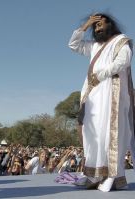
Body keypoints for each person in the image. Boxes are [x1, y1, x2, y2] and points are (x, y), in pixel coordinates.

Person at [68, 13, 135, 192]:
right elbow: (73, 45)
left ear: (110, 25)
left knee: (109, 133)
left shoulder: (121, 40)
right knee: (93, 134)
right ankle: (93, 175)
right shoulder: (94, 46)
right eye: (95, 26)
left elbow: (124, 60)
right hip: (93, 95)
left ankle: (111, 176)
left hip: (111, 93)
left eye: (101, 24)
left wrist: (101, 75)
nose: (98, 28)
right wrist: (85, 26)